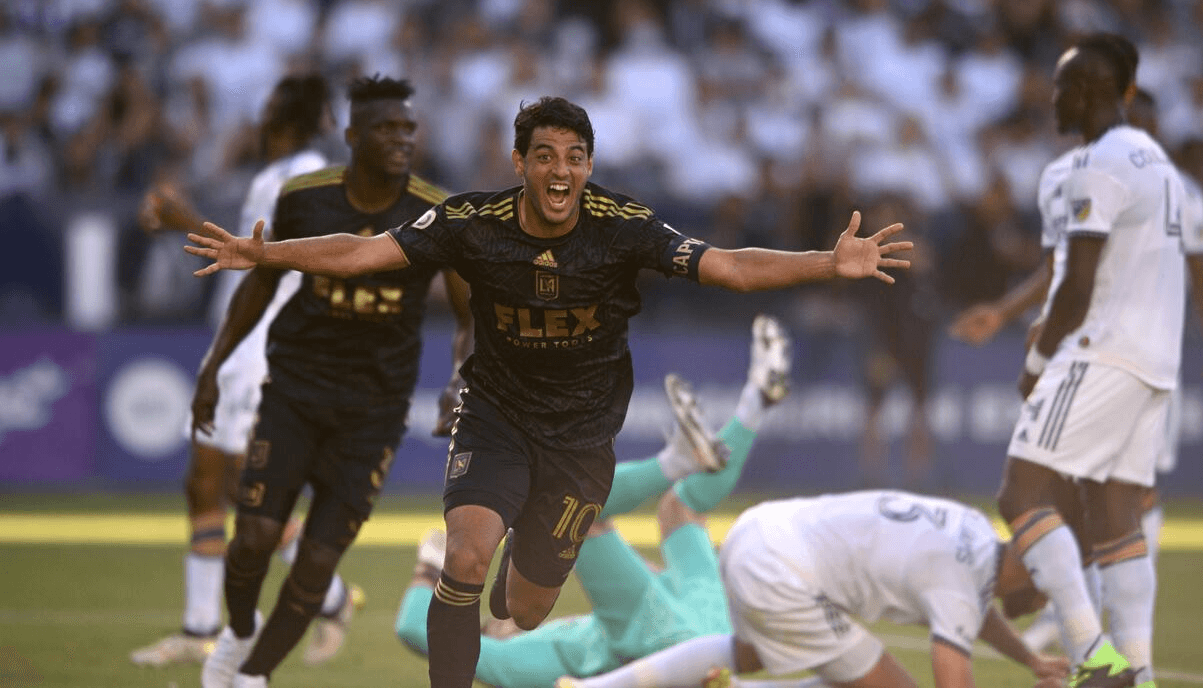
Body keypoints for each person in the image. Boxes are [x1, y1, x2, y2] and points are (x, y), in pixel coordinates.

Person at [183, 95, 914, 688]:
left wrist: (827, 261)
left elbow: (728, 267)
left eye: (574, 157)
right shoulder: (472, 221)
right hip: (496, 415)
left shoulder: (622, 227)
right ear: (520, 163)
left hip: (582, 438)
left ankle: (514, 577)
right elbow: (364, 252)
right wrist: (263, 253)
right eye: (545, 156)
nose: (561, 171)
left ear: (588, 165)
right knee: (466, 557)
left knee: (527, 607)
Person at [194, 74, 473, 688]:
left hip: (374, 411)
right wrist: (213, 368)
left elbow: (468, 318)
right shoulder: (303, 198)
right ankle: (238, 633)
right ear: (352, 135)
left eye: (408, 127)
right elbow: (260, 284)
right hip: (295, 391)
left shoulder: (436, 212)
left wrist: (459, 379)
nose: (403, 138)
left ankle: (254, 675)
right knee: (255, 538)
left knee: (318, 561)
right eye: (387, 128)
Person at [954, 85, 1203, 656]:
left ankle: (1095, 634)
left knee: (1091, 493)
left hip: (1121, 354)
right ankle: (1103, 637)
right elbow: (1062, 266)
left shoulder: (1169, 190)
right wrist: (1010, 312)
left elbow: (1198, 271)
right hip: (1113, 353)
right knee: (1089, 493)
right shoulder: (1106, 179)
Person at [395, 314, 792, 688]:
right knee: (571, 516)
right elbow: (415, 630)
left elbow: (654, 577)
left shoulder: (581, 637)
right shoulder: (531, 659)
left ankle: (754, 401)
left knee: (679, 510)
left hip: (709, 642)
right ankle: (687, 453)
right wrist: (429, 565)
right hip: (688, 641)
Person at [129, 73, 367, 668]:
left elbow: (266, 264)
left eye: (268, 111)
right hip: (240, 347)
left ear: (286, 118)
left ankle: (331, 598)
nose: (259, 122)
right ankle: (198, 626)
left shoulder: (300, 178)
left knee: (244, 489)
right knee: (203, 483)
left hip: (266, 351)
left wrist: (185, 217)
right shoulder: (277, 176)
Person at [995, 34, 1192, 688]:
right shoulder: (1158, 163)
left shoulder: (1098, 164)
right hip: (1155, 362)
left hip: (1101, 351)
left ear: (1088, 92)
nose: (1052, 98)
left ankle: (1093, 659)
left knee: (1020, 492)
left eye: (1060, 86)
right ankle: (1139, 669)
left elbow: (1077, 284)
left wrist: (1039, 359)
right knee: (1115, 516)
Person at [553, 488, 1070, 688]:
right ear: (1029, 570)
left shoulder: (976, 534)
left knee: (750, 653)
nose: (1047, 603)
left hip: (758, 530)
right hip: (782, 574)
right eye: (1053, 590)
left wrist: (1030, 659)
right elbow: (952, 673)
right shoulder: (961, 584)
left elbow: (976, 609)